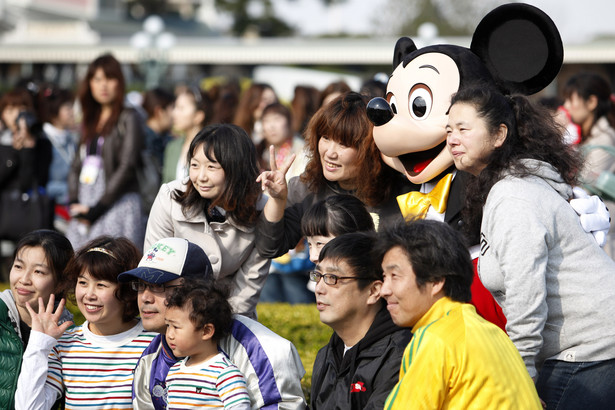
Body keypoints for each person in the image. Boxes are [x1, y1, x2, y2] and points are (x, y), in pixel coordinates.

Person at [446, 85, 615, 408]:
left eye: (463, 129)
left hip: (590, 355)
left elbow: (527, 296)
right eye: (449, 129)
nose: (452, 139)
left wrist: (519, 379)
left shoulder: (513, 195)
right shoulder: (510, 185)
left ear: (499, 135)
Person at [118, 236, 307, 410]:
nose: (144, 297)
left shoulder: (260, 349)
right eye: (140, 286)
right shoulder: (149, 359)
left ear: (195, 289)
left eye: (158, 286)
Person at [377, 219, 541, 409]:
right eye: (383, 277)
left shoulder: (436, 339)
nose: (384, 290)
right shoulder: (493, 333)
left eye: (394, 276)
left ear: (436, 281)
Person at [256, 91, 412, 259]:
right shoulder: (306, 188)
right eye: (325, 138)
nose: (330, 153)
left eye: (343, 144)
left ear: (371, 148)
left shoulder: (404, 196)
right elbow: (269, 248)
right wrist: (277, 201)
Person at [15, 236, 157, 409]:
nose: (89, 294)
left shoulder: (155, 342)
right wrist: (39, 343)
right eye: (82, 282)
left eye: (101, 285)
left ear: (127, 290)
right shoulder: (64, 344)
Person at [145, 123, 270, 318]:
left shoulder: (261, 208)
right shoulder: (170, 197)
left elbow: (250, 282)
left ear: (236, 168)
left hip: (232, 318)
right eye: (194, 165)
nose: (200, 177)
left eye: (212, 167)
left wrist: (223, 324)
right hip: (173, 314)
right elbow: (155, 266)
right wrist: (180, 320)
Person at [310, 232, 410, 410]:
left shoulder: (400, 356)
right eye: (318, 276)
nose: (319, 288)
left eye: (333, 278)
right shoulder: (326, 355)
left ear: (373, 291)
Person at [66, 53, 145, 249]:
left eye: (109, 78)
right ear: (89, 83)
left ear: (119, 82)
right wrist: (76, 202)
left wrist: (98, 208)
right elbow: (76, 164)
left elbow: (128, 164)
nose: (103, 85)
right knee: (79, 263)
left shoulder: (129, 117)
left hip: (117, 201)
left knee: (112, 265)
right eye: (97, 79)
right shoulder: (89, 119)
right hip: (86, 202)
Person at [0, 230, 73, 408]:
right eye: (18, 267)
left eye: (38, 271)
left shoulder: (69, 339)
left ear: (62, 282)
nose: (24, 279)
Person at [164, 279, 251, 409]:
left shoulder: (224, 374)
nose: (169, 334)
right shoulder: (174, 372)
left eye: (176, 327)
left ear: (206, 331)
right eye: (167, 326)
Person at [563, 72, 615, 257]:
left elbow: (584, 182)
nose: (567, 107)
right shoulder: (591, 137)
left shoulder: (605, 138)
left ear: (591, 102)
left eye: (571, 100)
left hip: (605, 231)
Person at [0, 88, 53, 241]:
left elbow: (31, 182)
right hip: (5, 214)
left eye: (21, 109)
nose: (16, 115)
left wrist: (28, 148)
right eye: (9, 110)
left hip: (31, 215)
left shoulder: (42, 143)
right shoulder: (2, 143)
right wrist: (14, 154)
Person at [40, 87, 78, 232]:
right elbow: (42, 183)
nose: (72, 112)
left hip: (70, 211)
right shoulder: (44, 140)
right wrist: (72, 190)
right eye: (67, 108)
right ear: (54, 111)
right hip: (52, 214)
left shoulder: (72, 139)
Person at [162, 85, 212, 184]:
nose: (174, 113)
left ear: (198, 116)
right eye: (175, 107)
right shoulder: (172, 147)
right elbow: (165, 185)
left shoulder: (211, 148)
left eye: (181, 108)